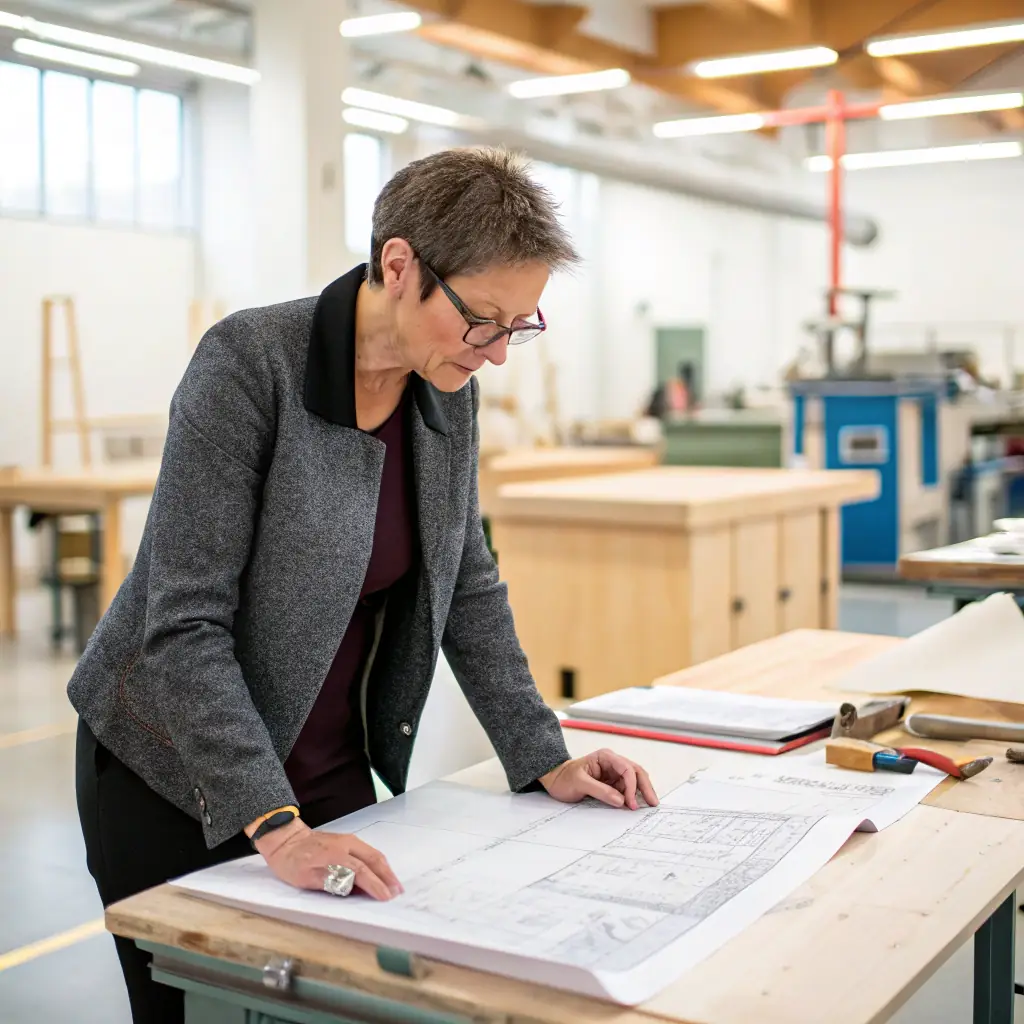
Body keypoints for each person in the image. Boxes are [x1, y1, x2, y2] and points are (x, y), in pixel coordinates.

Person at [69, 146, 658, 1024]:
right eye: (485, 321)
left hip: (329, 772)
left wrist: (545, 755)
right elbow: (184, 623)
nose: (498, 355)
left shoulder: (443, 387)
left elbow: (467, 586)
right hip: (175, 774)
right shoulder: (250, 364)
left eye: (519, 327)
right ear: (399, 266)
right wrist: (276, 825)